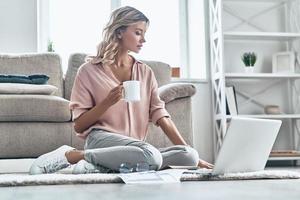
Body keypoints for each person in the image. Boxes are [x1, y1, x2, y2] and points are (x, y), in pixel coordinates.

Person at [29, 6, 213, 175]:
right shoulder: (89, 71)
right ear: (119, 32)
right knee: (152, 156)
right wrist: (107, 102)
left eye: (144, 34)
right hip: (101, 140)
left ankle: (102, 166)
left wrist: (193, 156)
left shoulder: (145, 72)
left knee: (188, 156)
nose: (144, 39)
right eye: (138, 33)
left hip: (136, 148)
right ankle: (74, 155)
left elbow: (160, 115)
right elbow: (79, 125)